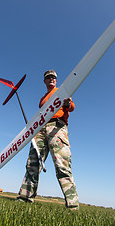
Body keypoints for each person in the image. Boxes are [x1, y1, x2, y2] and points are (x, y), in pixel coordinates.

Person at [17, 70, 79, 209]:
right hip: (41, 129)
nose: (51, 79)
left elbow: (72, 107)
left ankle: (72, 205)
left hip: (57, 127)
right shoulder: (42, 99)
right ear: (44, 81)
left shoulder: (62, 91)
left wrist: (68, 104)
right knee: (33, 163)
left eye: (53, 77)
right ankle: (25, 198)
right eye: (48, 77)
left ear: (56, 80)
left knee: (62, 164)